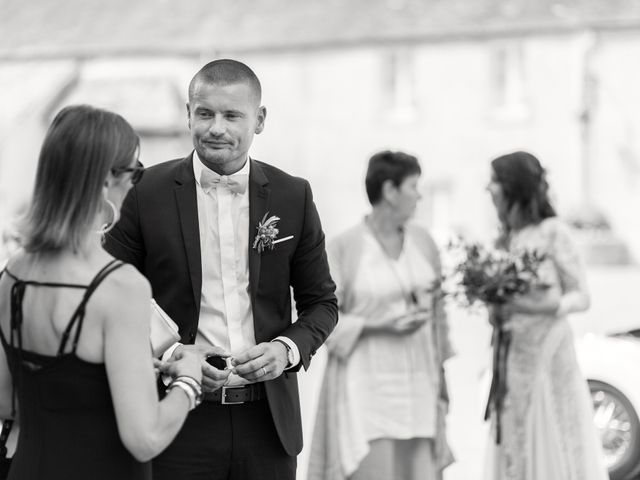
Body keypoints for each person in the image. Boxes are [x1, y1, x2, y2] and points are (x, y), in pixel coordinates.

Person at [103, 59, 338, 480]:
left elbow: (321, 303)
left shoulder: (293, 195)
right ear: (188, 114)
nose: (217, 128)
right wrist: (174, 355)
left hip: (269, 425)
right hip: (175, 416)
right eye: (205, 113)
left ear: (259, 119)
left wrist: (286, 349)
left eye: (232, 115)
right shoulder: (144, 194)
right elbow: (113, 298)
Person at [0, 105, 205, 480]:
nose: (135, 183)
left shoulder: (13, 275)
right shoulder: (120, 286)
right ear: (105, 182)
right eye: (135, 171)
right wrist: (188, 381)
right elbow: (145, 437)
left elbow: (6, 399)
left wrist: (118, 376)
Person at [308, 151, 454, 480]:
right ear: (389, 190)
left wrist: (443, 377)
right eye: (414, 186)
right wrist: (379, 326)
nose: (419, 195)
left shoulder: (424, 242)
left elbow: (439, 314)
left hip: (419, 383)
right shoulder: (344, 247)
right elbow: (322, 319)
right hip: (366, 386)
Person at [483, 151, 608, 480]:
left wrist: (548, 307)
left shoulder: (553, 232)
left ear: (512, 186)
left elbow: (581, 295)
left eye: (494, 181)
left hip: (548, 353)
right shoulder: (505, 239)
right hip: (511, 355)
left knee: (554, 432)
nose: (488, 188)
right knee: (515, 434)